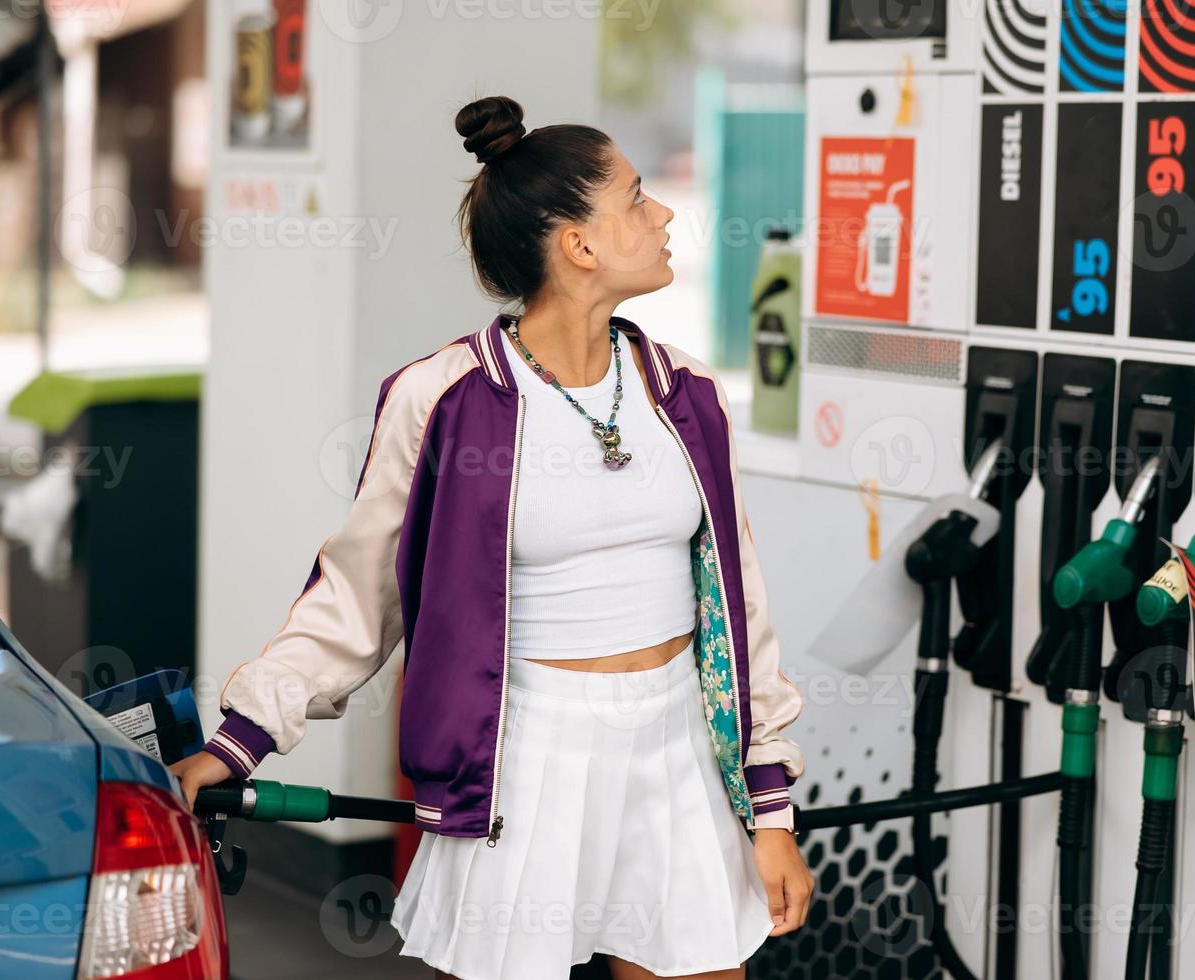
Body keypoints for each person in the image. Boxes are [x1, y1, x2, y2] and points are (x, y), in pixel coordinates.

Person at [170, 93, 812, 979]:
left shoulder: (687, 394)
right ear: (577, 244)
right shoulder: (442, 398)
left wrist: (769, 811)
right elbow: (361, 595)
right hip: (525, 757)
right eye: (634, 196)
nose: (661, 213)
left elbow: (740, 607)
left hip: (677, 754)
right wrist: (241, 737)